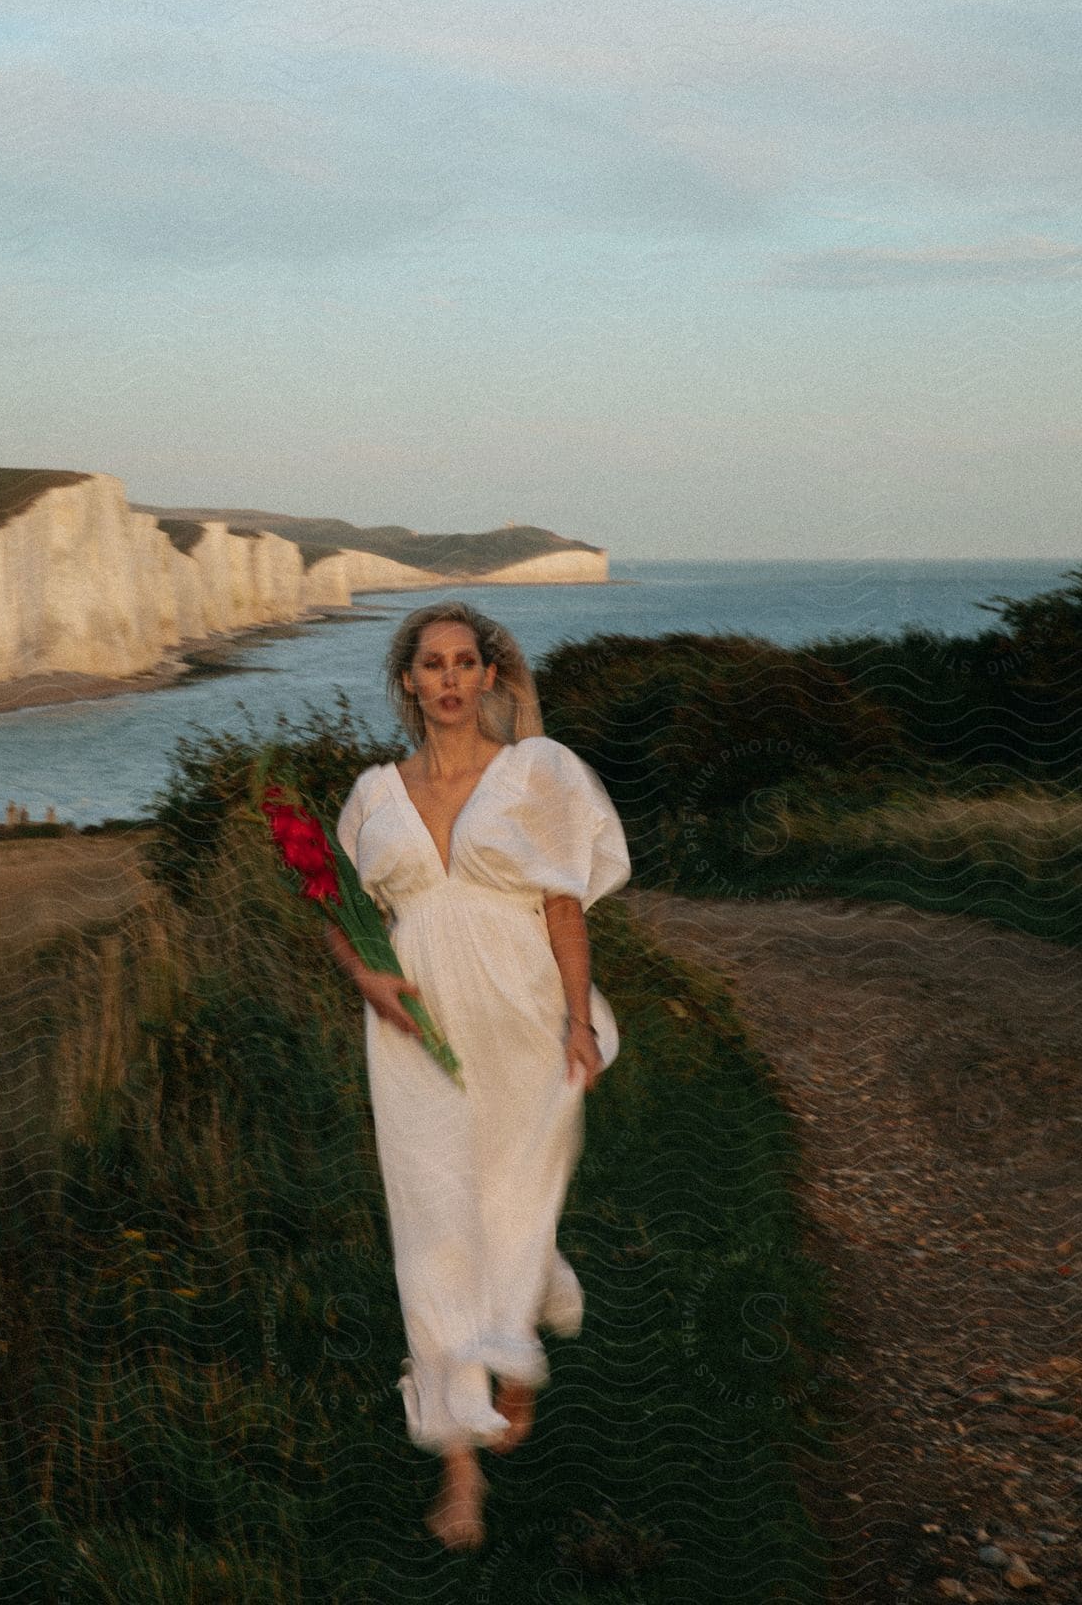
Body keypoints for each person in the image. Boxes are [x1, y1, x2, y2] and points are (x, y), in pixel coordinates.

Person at [327, 601, 631, 1551]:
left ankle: (514, 1333)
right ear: (408, 683)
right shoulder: (374, 795)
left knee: (513, 1195)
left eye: (466, 663)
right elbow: (336, 906)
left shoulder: (538, 773)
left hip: (519, 1015)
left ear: (489, 677)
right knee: (431, 1223)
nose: (450, 679)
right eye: (432, 665)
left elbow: (564, 906)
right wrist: (363, 975)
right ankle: (459, 1465)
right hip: (416, 1029)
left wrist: (578, 1022)